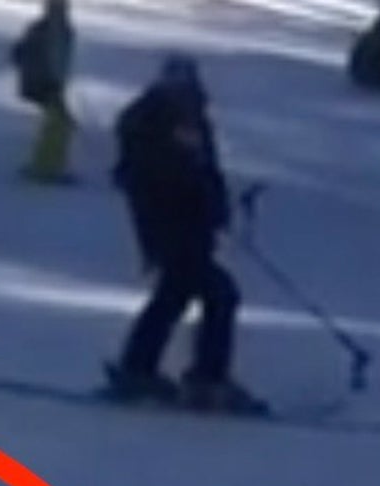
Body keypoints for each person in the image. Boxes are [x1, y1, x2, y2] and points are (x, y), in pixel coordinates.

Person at [105, 55, 265, 414]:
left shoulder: (192, 119)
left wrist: (216, 207)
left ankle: (139, 368)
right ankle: (207, 379)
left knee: (174, 295)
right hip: (169, 227)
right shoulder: (148, 121)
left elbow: (206, 170)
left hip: (191, 227)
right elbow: (156, 176)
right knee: (219, 295)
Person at [10, 0, 76, 183]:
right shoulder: (50, 30)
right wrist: (47, 77)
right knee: (60, 123)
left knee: (60, 122)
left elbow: (19, 53)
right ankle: (46, 167)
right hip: (45, 83)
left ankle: (48, 164)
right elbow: (24, 54)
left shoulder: (56, 29)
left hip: (49, 82)